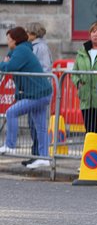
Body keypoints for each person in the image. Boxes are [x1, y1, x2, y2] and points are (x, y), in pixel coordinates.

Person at [0, 27, 54, 168]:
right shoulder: (21, 50)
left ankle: (10, 145)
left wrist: (3, 63)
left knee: (11, 112)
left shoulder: (21, 50)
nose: (7, 42)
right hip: (41, 93)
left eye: (9, 39)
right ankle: (44, 157)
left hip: (38, 94)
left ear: (15, 40)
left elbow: (11, 66)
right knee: (40, 126)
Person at [72, 22, 97, 163]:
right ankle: (92, 160)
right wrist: (78, 82)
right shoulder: (82, 52)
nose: (95, 34)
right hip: (87, 98)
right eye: (93, 31)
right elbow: (74, 72)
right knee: (90, 131)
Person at [24, 22, 52, 163]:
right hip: (33, 90)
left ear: (34, 34)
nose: (26, 35)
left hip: (39, 90)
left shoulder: (41, 48)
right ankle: (36, 154)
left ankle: (38, 154)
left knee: (37, 124)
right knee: (33, 123)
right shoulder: (33, 47)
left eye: (28, 32)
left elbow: (45, 68)